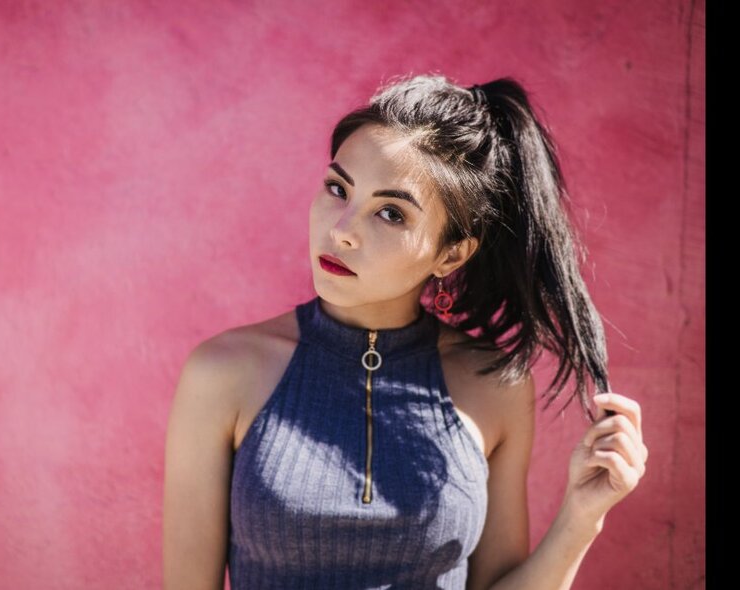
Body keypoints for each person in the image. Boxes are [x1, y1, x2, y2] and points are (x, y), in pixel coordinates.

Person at [162, 73, 648, 589]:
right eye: (337, 188)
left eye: (390, 213)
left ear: (451, 254)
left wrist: (583, 516)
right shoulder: (222, 373)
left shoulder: (492, 383)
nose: (342, 229)